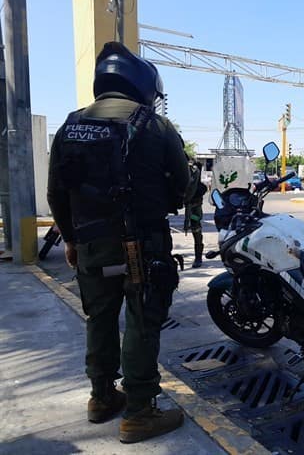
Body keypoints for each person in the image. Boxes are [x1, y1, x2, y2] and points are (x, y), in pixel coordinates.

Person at [47, 41, 189, 443]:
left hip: (90, 247)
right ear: (142, 84)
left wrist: (72, 241)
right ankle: (141, 411)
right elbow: (183, 187)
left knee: (100, 318)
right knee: (143, 321)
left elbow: (56, 193)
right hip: (141, 248)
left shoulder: (69, 125)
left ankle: (101, 397)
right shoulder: (155, 126)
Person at [184, 156, 207, 267]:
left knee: (196, 228)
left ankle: (198, 257)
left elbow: (193, 187)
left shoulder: (193, 170)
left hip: (194, 207)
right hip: (189, 204)